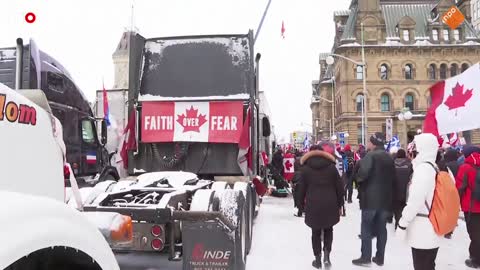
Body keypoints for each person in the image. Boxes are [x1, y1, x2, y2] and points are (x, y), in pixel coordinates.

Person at [396, 133, 442, 270]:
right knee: (428, 264)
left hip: (423, 229)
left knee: (422, 265)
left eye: (414, 147)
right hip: (432, 225)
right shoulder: (434, 167)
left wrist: (402, 224)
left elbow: (415, 202)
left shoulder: (423, 170)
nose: (411, 150)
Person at [352, 132, 395, 267]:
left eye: (369, 141)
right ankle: (380, 257)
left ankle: (366, 257)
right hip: (385, 199)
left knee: (366, 228)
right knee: (382, 228)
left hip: (370, 199)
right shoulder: (389, 157)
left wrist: (358, 181)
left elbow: (362, 175)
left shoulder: (370, 156)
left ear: (373, 143)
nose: (368, 144)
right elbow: (393, 179)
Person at [299, 144, 344, 269]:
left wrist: (300, 205)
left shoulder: (306, 169)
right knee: (329, 229)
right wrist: (340, 204)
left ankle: (317, 259)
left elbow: (301, 189)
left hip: (313, 203)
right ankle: (327, 257)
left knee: (315, 231)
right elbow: (339, 188)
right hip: (330, 203)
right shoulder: (331, 167)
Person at [456, 145, 480, 268]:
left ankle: (476, 260)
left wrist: (455, 203)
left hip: (471, 207)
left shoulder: (465, 167)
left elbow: (460, 188)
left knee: (475, 234)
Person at [392, 149, 412, 230]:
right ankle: (402, 224)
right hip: (405, 190)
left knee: (396, 208)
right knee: (404, 207)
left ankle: (397, 222)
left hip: (394, 190)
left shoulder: (392, 164)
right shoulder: (409, 164)